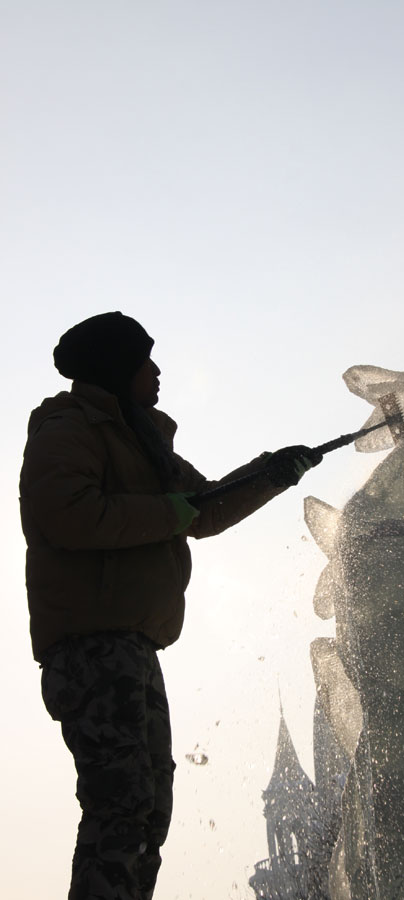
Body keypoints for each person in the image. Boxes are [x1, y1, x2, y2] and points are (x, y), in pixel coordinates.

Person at [19, 312, 322, 900]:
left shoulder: (141, 440)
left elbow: (203, 507)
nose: (156, 372)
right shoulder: (69, 428)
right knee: (121, 804)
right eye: (144, 361)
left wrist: (273, 473)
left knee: (149, 809)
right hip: (89, 647)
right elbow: (65, 514)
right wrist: (168, 514)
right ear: (115, 367)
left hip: (133, 646)